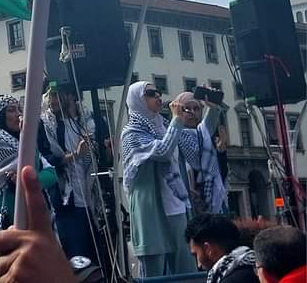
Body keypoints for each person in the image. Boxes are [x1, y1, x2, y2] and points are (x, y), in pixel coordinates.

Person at [121, 82, 207, 276]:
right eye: (151, 94)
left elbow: (199, 141)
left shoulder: (165, 126)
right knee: (154, 272)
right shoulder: (131, 133)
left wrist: (212, 111)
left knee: (186, 271)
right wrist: (177, 120)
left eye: (159, 92)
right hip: (151, 212)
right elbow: (162, 151)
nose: (158, 97)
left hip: (175, 206)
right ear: (137, 100)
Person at [40, 84, 100, 261]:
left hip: (94, 201)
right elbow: (45, 159)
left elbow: (104, 157)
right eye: (50, 96)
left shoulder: (91, 120)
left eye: (58, 95)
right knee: (77, 260)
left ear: (72, 95)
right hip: (67, 203)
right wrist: (74, 156)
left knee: (100, 257)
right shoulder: (46, 125)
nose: (53, 100)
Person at [0, 94, 57, 234]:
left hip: (39, 215)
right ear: (0, 117)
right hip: (12, 220)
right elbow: (32, 169)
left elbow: (52, 175)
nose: (18, 114)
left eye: (19, 109)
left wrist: (28, 180)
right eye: (11, 110)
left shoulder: (23, 142)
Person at [0, 165, 76, 283]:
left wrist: (26, 181)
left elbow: (51, 174)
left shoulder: (33, 154)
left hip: (38, 225)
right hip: (7, 227)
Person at [184, 213, 259, 283]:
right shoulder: (258, 267)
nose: (199, 265)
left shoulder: (231, 279)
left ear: (208, 248)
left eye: (196, 254)